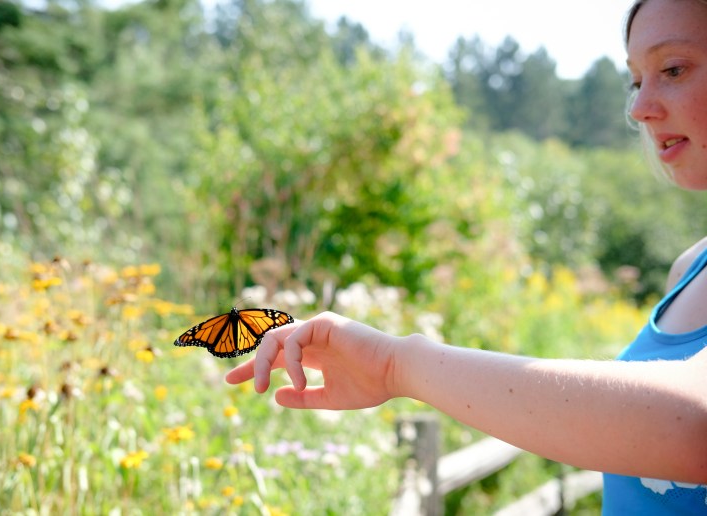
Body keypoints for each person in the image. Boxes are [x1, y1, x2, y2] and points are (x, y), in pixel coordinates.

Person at [227, 0, 707, 512]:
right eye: (636, 81)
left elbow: (694, 426)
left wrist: (397, 365)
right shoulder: (688, 271)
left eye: (673, 69)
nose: (639, 107)